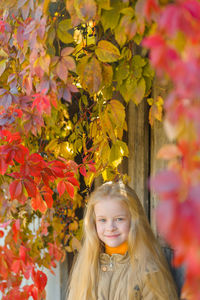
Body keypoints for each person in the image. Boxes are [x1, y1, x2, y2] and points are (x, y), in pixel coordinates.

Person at [67, 181, 178, 300]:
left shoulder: (149, 269)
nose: (110, 228)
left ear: (134, 220)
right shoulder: (86, 265)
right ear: (94, 223)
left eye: (119, 219)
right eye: (102, 220)